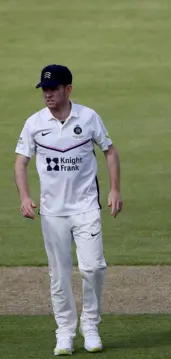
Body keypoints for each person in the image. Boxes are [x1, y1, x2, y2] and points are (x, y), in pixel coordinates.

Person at [14, 64, 123, 356]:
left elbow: (109, 150)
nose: (48, 94)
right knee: (59, 274)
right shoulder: (34, 123)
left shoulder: (88, 118)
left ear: (68, 89)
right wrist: (25, 197)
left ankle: (90, 325)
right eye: (45, 90)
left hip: (86, 206)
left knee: (94, 267)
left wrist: (114, 190)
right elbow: (20, 162)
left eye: (53, 89)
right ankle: (64, 332)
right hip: (52, 212)